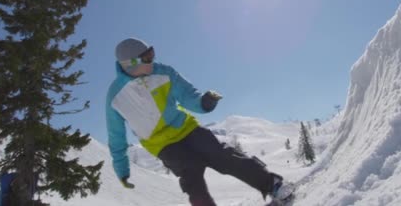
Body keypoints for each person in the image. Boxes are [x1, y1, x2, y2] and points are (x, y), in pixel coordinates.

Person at [106, 38, 288, 205]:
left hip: (186, 128)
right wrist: (122, 170)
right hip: (162, 144)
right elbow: (116, 137)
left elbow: (187, 94)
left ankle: (273, 185)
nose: (152, 60)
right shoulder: (116, 97)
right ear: (130, 65)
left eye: (151, 54)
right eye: (146, 58)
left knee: (222, 155)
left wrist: (203, 103)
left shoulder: (163, 72)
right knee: (191, 173)